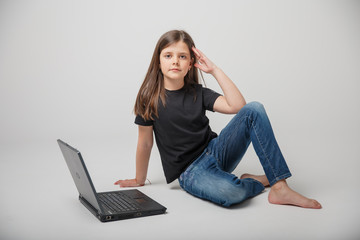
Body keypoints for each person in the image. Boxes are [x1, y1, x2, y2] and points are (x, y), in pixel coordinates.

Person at [114, 30, 321, 209]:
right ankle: (253, 182)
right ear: (158, 62)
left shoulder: (198, 92)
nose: (175, 61)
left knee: (254, 109)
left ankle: (279, 187)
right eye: (168, 55)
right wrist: (139, 179)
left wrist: (215, 70)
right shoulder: (148, 99)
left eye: (182, 57)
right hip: (191, 171)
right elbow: (145, 142)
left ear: (190, 64)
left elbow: (238, 106)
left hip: (217, 150)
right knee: (233, 193)